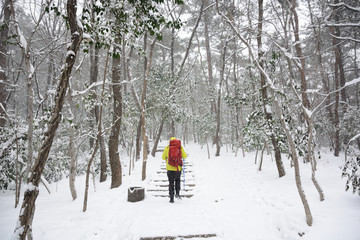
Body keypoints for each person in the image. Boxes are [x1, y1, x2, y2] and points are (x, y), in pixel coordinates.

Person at [162, 137, 187, 203]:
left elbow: (163, 158)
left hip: (170, 169)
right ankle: (177, 194)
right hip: (178, 168)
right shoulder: (179, 147)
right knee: (177, 181)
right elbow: (185, 156)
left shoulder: (167, 148)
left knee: (171, 183)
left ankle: (171, 198)